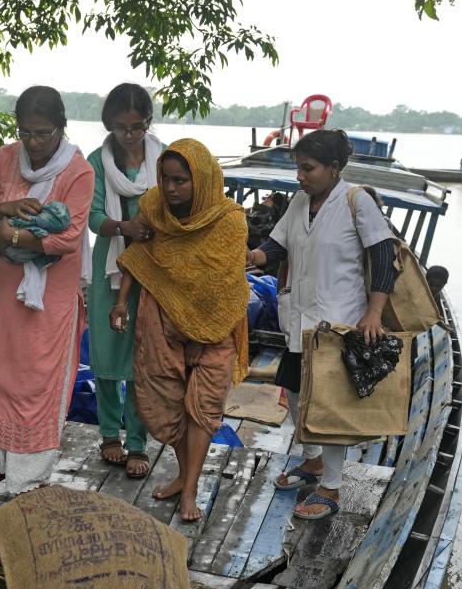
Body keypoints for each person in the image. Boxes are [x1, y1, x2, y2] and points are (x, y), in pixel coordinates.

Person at [247, 129, 397, 520]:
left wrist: (375, 312)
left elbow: (383, 257)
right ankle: (311, 461)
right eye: (298, 168)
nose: (300, 176)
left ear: (334, 168)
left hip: (340, 321)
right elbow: (279, 246)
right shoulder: (299, 202)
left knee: (330, 407)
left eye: (307, 168)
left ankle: (331, 486)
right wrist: (252, 256)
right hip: (299, 318)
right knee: (295, 391)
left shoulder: (356, 201)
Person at [112, 139, 249, 522]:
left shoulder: (229, 221)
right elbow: (141, 256)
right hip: (163, 318)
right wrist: (121, 302)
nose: (171, 188)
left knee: (203, 410)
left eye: (180, 181)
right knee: (169, 403)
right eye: (166, 179)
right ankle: (183, 476)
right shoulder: (155, 209)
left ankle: (188, 491)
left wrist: (199, 319)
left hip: (216, 326)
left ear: (201, 179)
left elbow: (225, 277)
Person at [0, 86, 94, 495]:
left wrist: (12, 236)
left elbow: (68, 239)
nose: (34, 143)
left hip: (50, 295)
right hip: (5, 287)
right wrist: (2, 214)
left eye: (43, 134)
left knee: (37, 377)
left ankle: (28, 476)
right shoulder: (5, 159)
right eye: (26, 133)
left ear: (61, 128)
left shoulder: (78, 172)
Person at [86, 83, 163, 479]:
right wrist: (125, 226)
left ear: (148, 123)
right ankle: (108, 435)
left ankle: (137, 442)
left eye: (136, 126)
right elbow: (93, 216)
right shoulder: (97, 162)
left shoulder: (164, 160)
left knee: (141, 356)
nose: (129, 134)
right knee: (106, 352)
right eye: (120, 127)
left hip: (153, 269)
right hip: (109, 267)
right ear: (109, 125)